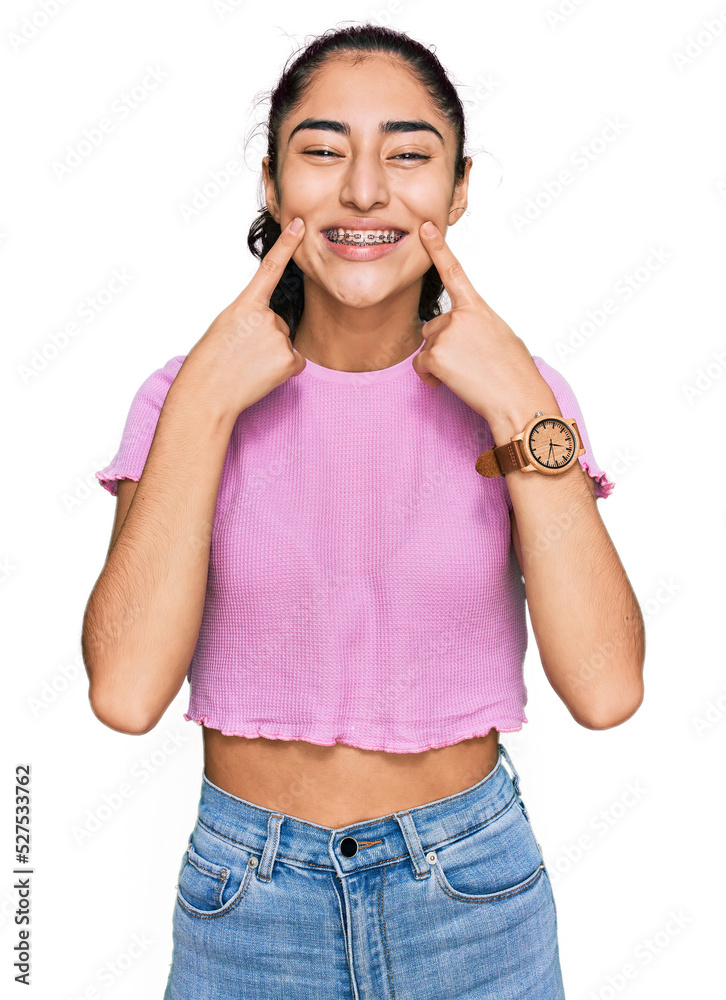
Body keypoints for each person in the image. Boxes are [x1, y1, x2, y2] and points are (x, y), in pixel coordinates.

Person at [82, 23, 645, 1000]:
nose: (366, 190)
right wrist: (207, 405)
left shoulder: (524, 393)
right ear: (272, 182)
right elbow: (126, 692)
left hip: (471, 897)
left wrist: (521, 406)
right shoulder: (184, 398)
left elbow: (605, 688)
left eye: (409, 154)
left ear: (459, 188)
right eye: (324, 150)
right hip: (247, 905)